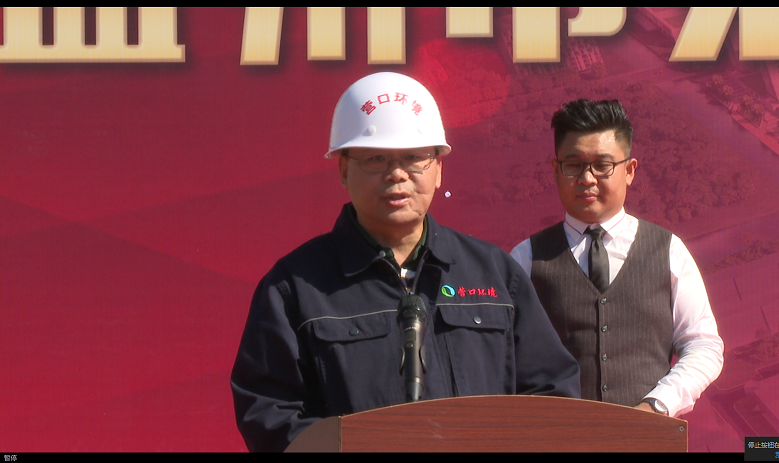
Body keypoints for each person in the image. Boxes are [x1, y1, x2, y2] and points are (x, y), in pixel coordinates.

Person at [231, 72, 581, 452]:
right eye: (376, 159)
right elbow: (270, 414)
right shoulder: (295, 287)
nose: (397, 174)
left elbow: (552, 393)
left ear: (438, 169)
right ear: (344, 169)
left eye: (414, 158)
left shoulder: (495, 274)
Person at [511, 98, 724, 418]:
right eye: (573, 165)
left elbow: (703, 346)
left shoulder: (668, 250)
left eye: (602, 165)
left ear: (629, 170)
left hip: (649, 438)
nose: (587, 179)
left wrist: (657, 405)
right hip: (559, 437)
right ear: (555, 171)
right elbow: (503, 356)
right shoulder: (525, 258)